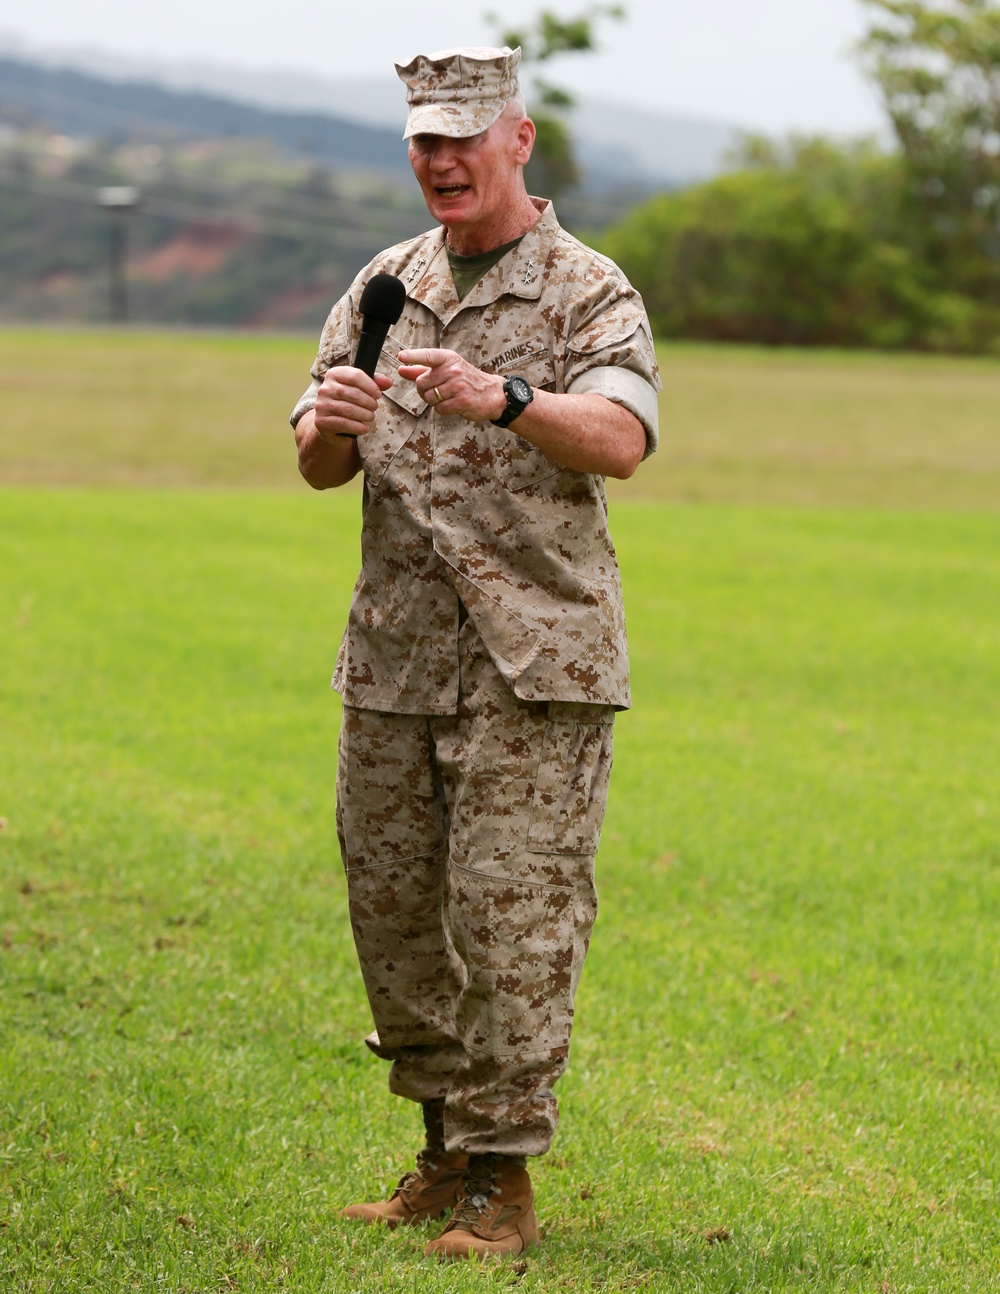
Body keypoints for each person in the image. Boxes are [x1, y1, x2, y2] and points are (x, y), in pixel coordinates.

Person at [290, 45, 660, 1262]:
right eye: (422, 141)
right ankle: (442, 1152)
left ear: (518, 138)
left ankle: (504, 1178)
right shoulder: (384, 283)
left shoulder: (586, 288)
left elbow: (617, 439)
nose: (440, 160)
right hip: (394, 663)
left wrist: (504, 397)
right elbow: (317, 453)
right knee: (395, 917)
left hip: (535, 666)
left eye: (463, 136)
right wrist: (326, 424)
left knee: (514, 921)